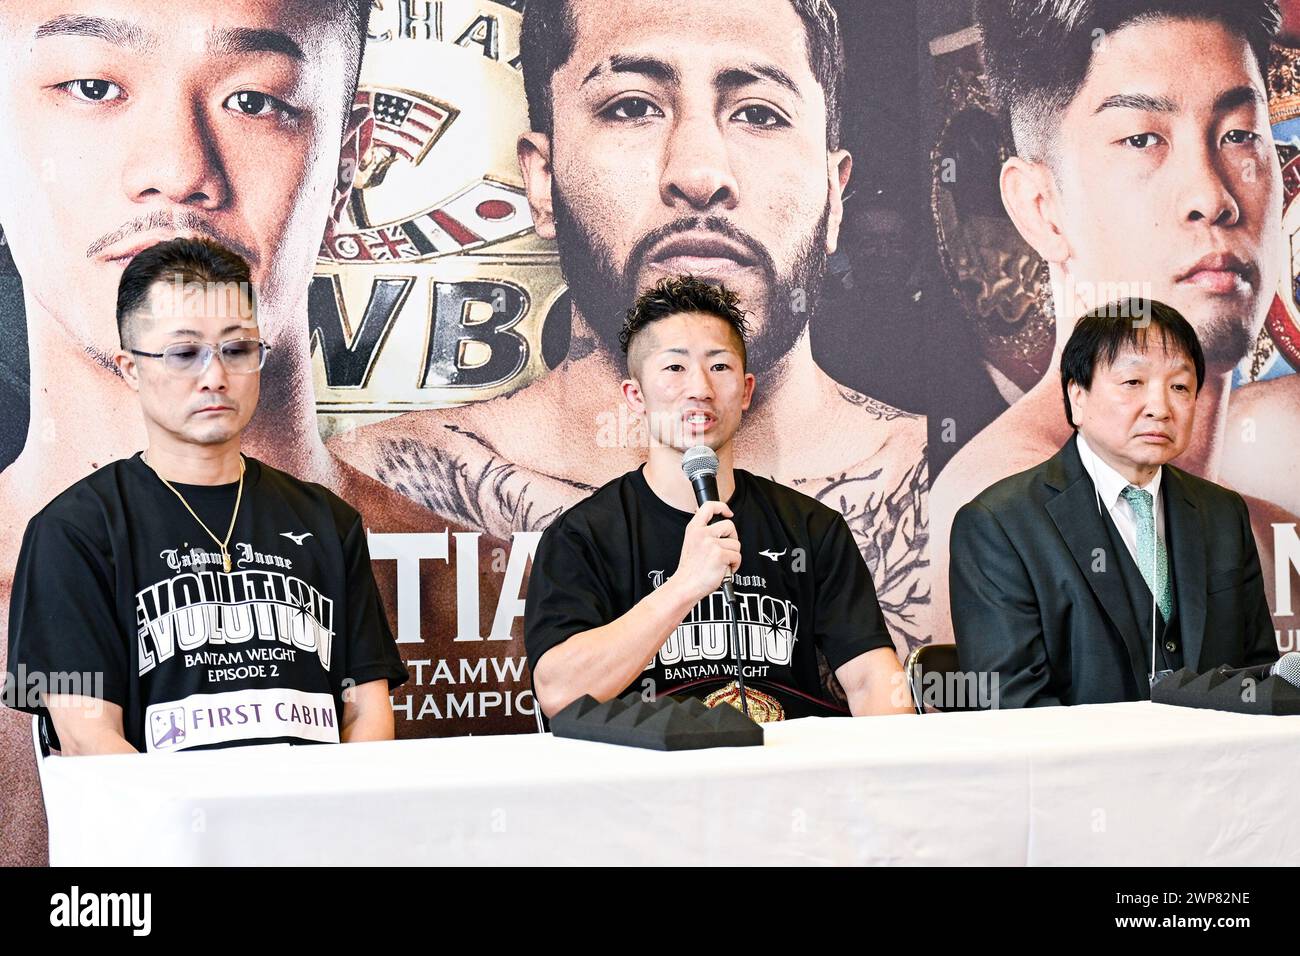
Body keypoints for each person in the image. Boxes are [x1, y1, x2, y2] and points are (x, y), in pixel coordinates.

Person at [0, 0, 512, 866]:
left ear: (349, 157)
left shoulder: (485, 599)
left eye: (254, 100)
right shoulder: (66, 538)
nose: (175, 170)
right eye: (92, 87)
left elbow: (367, 715)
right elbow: (88, 742)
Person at [331, 0, 932, 656]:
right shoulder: (369, 492)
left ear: (835, 191)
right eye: (632, 107)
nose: (699, 176)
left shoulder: (953, 482)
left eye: (760, 113)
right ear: (541, 180)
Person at [933, 0, 1297, 644]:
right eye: (1142, 140)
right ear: (1041, 207)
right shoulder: (1014, 510)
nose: (1211, 197)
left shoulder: (1260, 529)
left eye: (1240, 134)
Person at [6, 238, 408, 753]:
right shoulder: (74, 530)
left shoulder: (327, 520)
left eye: (237, 350)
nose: (215, 377)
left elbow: (367, 717)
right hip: (166, 832)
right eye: (183, 354)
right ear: (132, 368)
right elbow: (89, 740)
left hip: (315, 827)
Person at [525, 276, 912, 721]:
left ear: (746, 391)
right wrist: (686, 585)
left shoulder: (811, 528)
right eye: (674, 368)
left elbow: (872, 680)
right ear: (636, 396)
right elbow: (559, 692)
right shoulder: (583, 536)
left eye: (720, 367)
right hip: (654, 777)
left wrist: (889, 772)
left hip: (787, 776)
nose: (700, 389)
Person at [951, 301, 1277, 707]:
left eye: (1179, 386)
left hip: (1217, 766)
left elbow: (1259, 676)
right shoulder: (1000, 525)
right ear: (1077, 397)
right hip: (1082, 767)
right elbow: (1013, 705)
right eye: (1132, 383)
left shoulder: (1222, 512)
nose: (1159, 408)